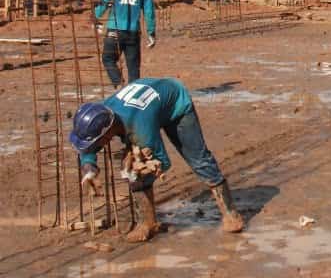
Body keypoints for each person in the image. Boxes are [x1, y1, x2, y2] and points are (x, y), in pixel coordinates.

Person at [69, 78, 245, 243]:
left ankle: (231, 213)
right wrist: (88, 167)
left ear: (107, 131)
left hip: (175, 101)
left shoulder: (139, 127)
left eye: (98, 140)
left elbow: (161, 161)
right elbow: (88, 145)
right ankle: (148, 223)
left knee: (198, 159)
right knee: (133, 166)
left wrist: (133, 170)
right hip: (149, 102)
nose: (96, 144)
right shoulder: (101, 112)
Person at [95, 0, 156, 87]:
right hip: (133, 33)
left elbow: (103, 3)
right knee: (133, 68)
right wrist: (151, 32)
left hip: (114, 30)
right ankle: (133, 95)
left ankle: (118, 82)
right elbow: (149, 12)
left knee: (108, 58)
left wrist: (95, 17)